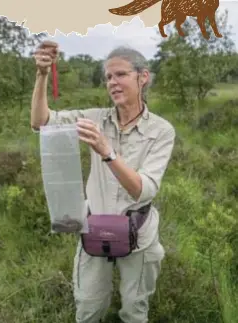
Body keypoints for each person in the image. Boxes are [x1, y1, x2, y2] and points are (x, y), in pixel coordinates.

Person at [31, 40, 176, 323]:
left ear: (142, 77)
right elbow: (41, 123)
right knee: (88, 308)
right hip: (94, 229)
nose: (113, 82)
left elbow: (142, 190)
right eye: (108, 77)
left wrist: (106, 151)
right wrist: (42, 75)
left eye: (121, 74)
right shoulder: (95, 119)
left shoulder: (161, 130)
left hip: (140, 234)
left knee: (134, 310)